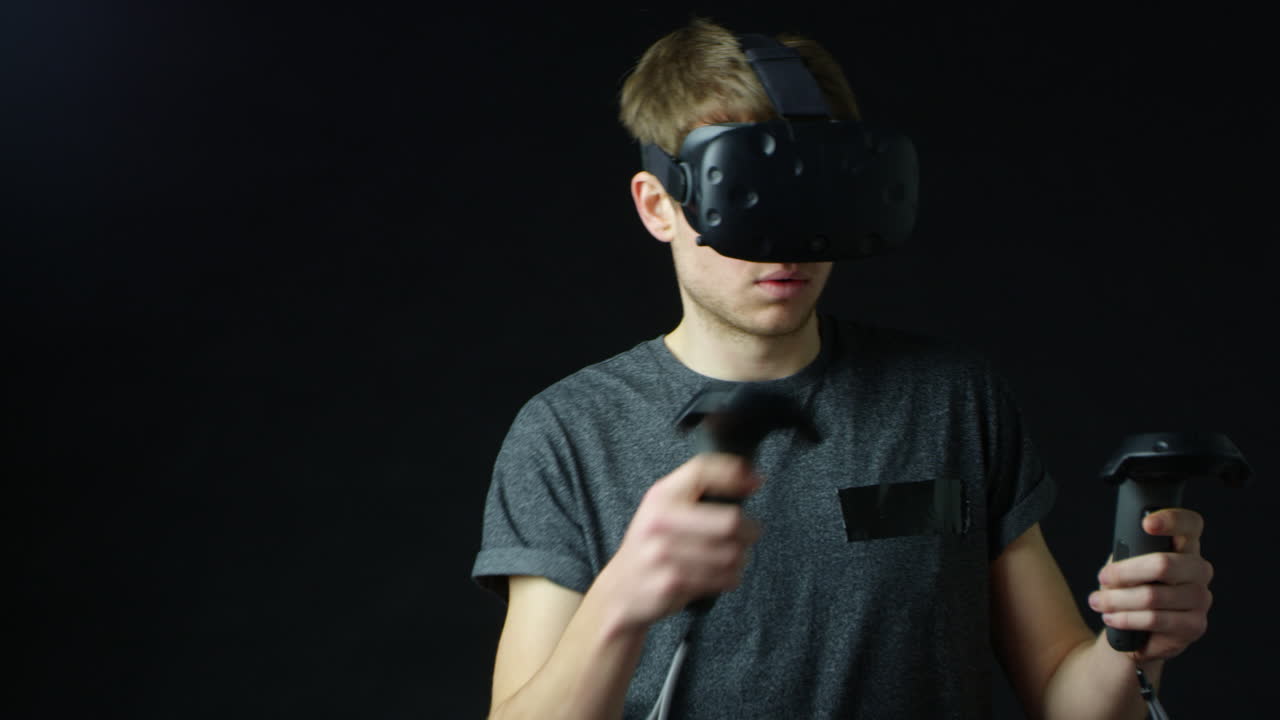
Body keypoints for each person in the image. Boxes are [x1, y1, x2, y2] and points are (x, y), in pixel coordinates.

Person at [471, 18, 1214, 719]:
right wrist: (621, 601)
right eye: (748, 196)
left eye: (814, 195)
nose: (787, 244)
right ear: (659, 206)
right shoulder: (568, 435)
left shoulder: (952, 399)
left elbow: (1065, 697)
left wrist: (1134, 643)